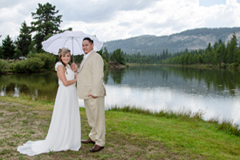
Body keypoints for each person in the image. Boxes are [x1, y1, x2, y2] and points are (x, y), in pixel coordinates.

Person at [17, 48, 81, 156]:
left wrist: (76, 70)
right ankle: (61, 140)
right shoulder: (59, 66)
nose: (66, 58)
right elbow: (65, 82)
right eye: (64, 56)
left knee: (70, 115)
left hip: (71, 94)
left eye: (68, 56)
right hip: (65, 94)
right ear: (60, 57)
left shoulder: (69, 66)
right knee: (63, 116)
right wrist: (76, 79)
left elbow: (73, 76)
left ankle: (69, 140)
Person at [77, 37, 106, 152]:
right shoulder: (86, 57)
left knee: (98, 118)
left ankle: (100, 142)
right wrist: (76, 70)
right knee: (91, 118)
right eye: (83, 45)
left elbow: (98, 76)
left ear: (92, 45)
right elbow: (86, 74)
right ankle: (93, 136)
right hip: (87, 93)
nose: (84, 47)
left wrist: (94, 92)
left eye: (86, 45)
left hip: (94, 94)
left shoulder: (96, 57)